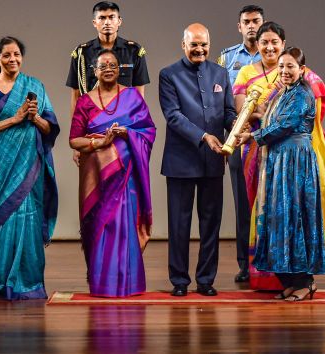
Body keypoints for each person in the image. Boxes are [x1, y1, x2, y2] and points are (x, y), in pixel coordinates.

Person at [233, 22, 325, 290]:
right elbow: (268, 120)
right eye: (283, 67)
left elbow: (284, 126)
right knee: (280, 218)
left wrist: (251, 137)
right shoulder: (282, 94)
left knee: (296, 217)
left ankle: (304, 282)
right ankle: (290, 280)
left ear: (302, 70)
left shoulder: (302, 93)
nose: (286, 71)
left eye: (291, 67)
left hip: (296, 160)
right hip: (279, 161)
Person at [0, 37, 59, 300]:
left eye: (17, 54)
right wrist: (15, 118)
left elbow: (50, 129)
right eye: (7, 55)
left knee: (28, 217)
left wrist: (35, 117)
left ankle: (28, 282)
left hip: (28, 166)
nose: (13, 59)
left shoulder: (35, 87)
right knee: (1, 216)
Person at [159, 23, 236, 297]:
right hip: (180, 162)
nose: (199, 49)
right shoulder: (168, 75)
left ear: (209, 44)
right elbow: (173, 116)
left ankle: (205, 280)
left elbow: (227, 111)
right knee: (179, 226)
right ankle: (179, 281)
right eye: (194, 45)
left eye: (203, 44)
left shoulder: (221, 73)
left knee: (210, 224)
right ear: (183, 45)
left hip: (213, 161)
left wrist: (237, 126)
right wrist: (204, 136)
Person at [70, 49, 155, 297]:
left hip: (125, 177)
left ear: (119, 70)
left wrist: (128, 133)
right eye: (103, 65)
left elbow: (148, 131)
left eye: (113, 65)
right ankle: (101, 284)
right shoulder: (85, 102)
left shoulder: (132, 97)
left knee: (123, 225)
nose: (108, 68)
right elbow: (74, 140)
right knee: (99, 226)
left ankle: (128, 283)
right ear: (94, 71)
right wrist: (100, 143)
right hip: (96, 180)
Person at [66, 1, 149, 165]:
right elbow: (76, 97)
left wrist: (135, 135)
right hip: (92, 131)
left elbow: (139, 98)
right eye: (102, 18)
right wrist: (78, 143)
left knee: (125, 186)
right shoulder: (81, 53)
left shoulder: (134, 51)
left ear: (119, 21)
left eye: (111, 17)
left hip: (123, 130)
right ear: (94, 23)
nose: (107, 22)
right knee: (94, 186)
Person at [216, 4, 264, 283]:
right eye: (246, 22)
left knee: (270, 201)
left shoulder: (276, 55)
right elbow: (222, 99)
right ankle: (245, 264)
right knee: (243, 203)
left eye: (256, 21)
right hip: (239, 140)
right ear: (239, 26)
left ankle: (271, 263)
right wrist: (233, 127)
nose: (251, 26)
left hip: (271, 139)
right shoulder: (227, 57)